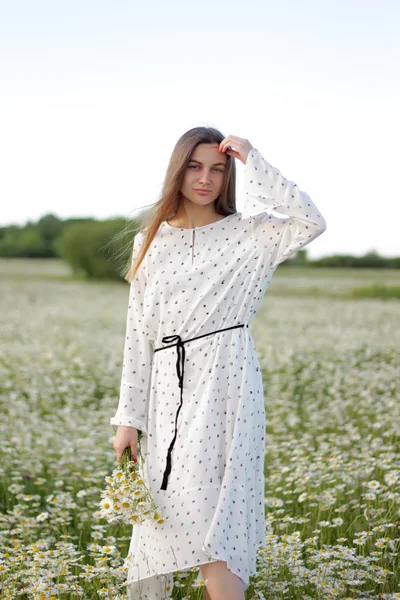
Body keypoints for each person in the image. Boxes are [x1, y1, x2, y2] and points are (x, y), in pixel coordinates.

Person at [110, 128, 327, 600]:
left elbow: (311, 220)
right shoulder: (150, 241)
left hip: (228, 382)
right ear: (178, 169)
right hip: (168, 390)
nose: (205, 178)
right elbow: (137, 337)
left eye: (217, 168)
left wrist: (253, 158)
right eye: (195, 166)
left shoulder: (252, 233)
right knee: (164, 510)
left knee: (217, 513)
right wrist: (128, 418)